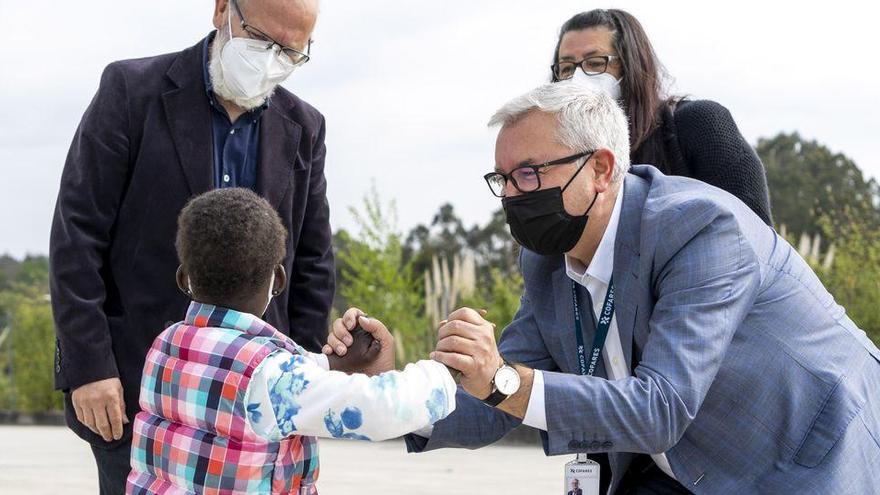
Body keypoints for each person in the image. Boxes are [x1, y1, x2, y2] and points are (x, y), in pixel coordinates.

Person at [327, 83, 880, 493]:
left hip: (808, 459)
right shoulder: (546, 263)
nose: (512, 197)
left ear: (600, 168)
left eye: (529, 173)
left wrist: (498, 377)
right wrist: (388, 387)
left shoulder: (702, 228)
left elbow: (659, 407)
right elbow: (493, 403)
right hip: (677, 466)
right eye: (502, 179)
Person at [49, 1, 335, 492]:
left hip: (258, 400)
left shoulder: (304, 127)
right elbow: (77, 235)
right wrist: (89, 366)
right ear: (223, 8)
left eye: (291, 52)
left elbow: (313, 260)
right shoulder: (131, 92)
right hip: (140, 393)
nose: (271, 60)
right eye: (262, 41)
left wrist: (304, 375)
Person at [126, 188, 456, 494]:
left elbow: (247, 367)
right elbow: (382, 409)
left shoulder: (166, 345)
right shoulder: (272, 376)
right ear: (279, 279)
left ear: (185, 278)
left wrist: (332, 365)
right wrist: (442, 372)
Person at [550, 9, 773, 225]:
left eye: (596, 63)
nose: (577, 78)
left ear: (631, 67)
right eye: (566, 68)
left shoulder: (700, 125)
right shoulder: (558, 157)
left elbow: (755, 237)